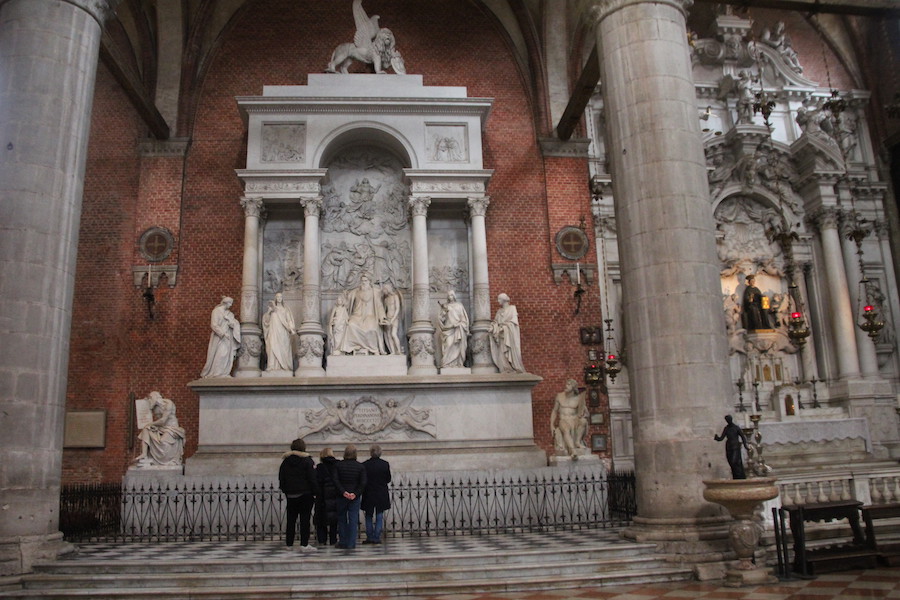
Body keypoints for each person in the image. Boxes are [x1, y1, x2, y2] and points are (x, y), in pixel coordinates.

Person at [278, 438, 319, 550]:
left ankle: (289, 544)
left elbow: (281, 478)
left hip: (291, 494)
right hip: (305, 494)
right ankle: (304, 544)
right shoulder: (307, 461)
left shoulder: (285, 461)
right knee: (305, 520)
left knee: (291, 519)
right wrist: (315, 492)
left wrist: (286, 490)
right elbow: (312, 478)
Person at [339, 274, 386, 355]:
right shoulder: (355, 292)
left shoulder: (374, 292)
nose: (363, 283)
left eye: (366, 280)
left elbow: (379, 306)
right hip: (357, 315)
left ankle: (374, 349)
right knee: (350, 325)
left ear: (370, 282)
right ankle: (353, 347)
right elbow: (346, 303)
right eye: (362, 281)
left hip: (370, 316)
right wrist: (344, 296)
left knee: (372, 329)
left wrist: (382, 317)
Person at [135, 392, 185, 467]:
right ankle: (144, 454)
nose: (150, 400)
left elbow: (163, 420)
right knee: (146, 429)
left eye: (151, 398)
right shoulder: (155, 407)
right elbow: (149, 416)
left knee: (162, 442)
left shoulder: (168, 403)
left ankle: (165, 459)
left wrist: (151, 424)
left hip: (171, 428)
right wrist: (145, 403)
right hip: (161, 428)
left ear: (155, 397)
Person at [333, 444, 367, 549]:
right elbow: (363, 482)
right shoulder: (360, 466)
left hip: (341, 496)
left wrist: (343, 492)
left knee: (342, 519)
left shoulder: (338, 465)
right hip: (354, 497)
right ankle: (351, 543)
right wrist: (355, 493)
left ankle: (343, 541)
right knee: (353, 520)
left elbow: (336, 480)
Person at [199, 296, 241, 378]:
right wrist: (223, 334)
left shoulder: (230, 314)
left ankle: (224, 372)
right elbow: (214, 324)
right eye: (230, 303)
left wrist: (232, 324)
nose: (231, 305)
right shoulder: (216, 311)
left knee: (227, 354)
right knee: (220, 353)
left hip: (229, 336)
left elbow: (234, 323)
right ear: (225, 303)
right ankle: (216, 373)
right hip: (219, 337)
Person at [550, 379, 589, 458]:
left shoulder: (578, 398)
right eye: (566, 384)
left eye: (568, 385)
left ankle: (577, 442)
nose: (566, 386)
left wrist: (584, 414)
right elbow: (554, 411)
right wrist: (551, 424)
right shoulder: (559, 396)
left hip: (574, 419)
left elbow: (586, 413)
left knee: (583, 421)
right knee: (566, 429)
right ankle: (573, 451)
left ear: (573, 387)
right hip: (563, 420)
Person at [361, 445, 392, 544]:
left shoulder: (365, 464)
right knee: (379, 514)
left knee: (368, 515)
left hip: (368, 492)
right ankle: (376, 536)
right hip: (380, 492)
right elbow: (388, 479)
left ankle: (369, 536)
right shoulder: (384, 464)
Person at [489, 293, 525, 373]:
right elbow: (495, 322)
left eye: (499, 299)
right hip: (501, 336)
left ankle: (513, 367)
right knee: (502, 354)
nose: (498, 301)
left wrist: (504, 327)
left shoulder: (512, 309)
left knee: (509, 352)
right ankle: (506, 369)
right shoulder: (499, 311)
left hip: (509, 335)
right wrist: (493, 326)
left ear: (504, 300)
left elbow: (514, 323)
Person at [263, 292, 296, 372]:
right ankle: (272, 365)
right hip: (273, 331)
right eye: (277, 297)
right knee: (272, 346)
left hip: (283, 332)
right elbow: (266, 321)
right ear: (275, 298)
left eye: (280, 297)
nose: (279, 298)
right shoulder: (272, 310)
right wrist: (269, 312)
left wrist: (291, 328)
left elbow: (289, 320)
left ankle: (284, 366)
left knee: (283, 347)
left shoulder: (285, 310)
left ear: (282, 298)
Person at [314, 447, 340, 546]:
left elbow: (316, 481)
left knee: (321, 519)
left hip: (322, 496)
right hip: (334, 495)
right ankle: (333, 539)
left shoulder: (320, 467)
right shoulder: (337, 465)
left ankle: (322, 539)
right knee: (334, 519)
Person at [439, 290, 469, 368]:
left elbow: (464, 319)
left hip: (458, 328)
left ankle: (458, 363)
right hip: (448, 329)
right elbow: (441, 319)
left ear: (454, 296)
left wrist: (460, 324)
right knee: (448, 345)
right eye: (448, 295)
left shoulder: (459, 305)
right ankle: (446, 363)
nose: (450, 297)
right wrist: (444, 313)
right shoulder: (445, 306)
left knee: (458, 346)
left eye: (451, 295)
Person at [714, 415, 750, 479]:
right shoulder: (726, 428)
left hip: (735, 447)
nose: (728, 421)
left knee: (735, 462)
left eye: (729, 419)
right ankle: (735, 476)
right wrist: (717, 438)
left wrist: (745, 445)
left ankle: (739, 476)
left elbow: (743, 437)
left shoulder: (736, 428)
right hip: (729, 447)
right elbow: (721, 438)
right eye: (727, 420)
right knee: (731, 462)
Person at [381, 282, 403, 355]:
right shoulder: (386, 299)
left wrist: (393, 318)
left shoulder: (395, 296)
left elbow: (397, 308)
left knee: (393, 334)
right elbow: (384, 310)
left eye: (384, 290)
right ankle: (392, 351)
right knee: (388, 335)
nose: (384, 292)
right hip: (388, 318)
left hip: (394, 318)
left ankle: (399, 351)